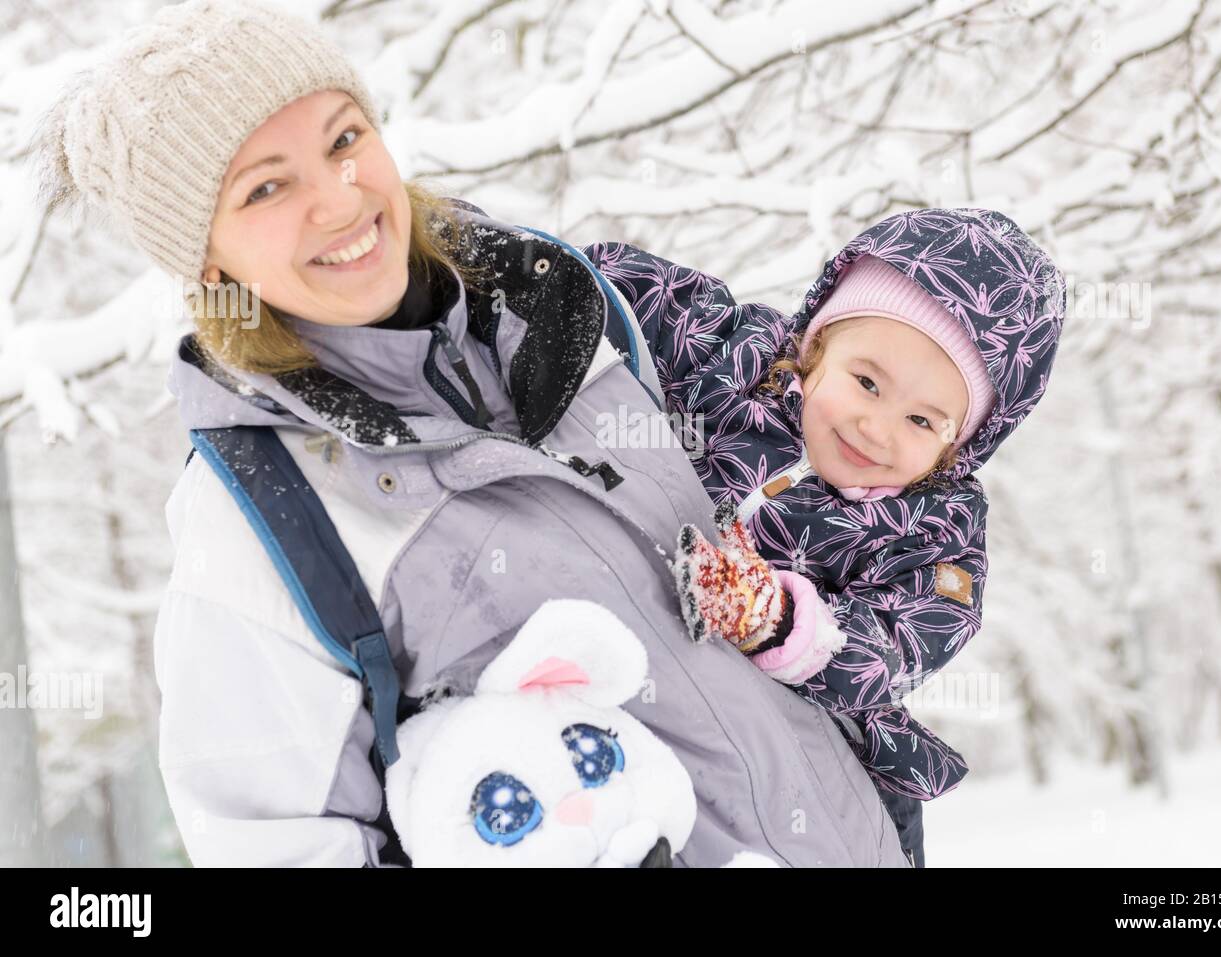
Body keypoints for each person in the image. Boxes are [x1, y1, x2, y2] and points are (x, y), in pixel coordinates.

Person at [31, 0, 910, 867]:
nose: (338, 200)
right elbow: (283, 845)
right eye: (266, 185)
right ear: (208, 258)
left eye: (344, 140)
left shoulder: (571, 313)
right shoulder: (261, 516)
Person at [583, 207, 1067, 867]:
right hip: (641, 654)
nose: (878, 427)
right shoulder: (738, 361)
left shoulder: (936, 525)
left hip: (820, 738)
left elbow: (906, 635)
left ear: (958, 447)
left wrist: (783, 622)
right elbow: (618, 288)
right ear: (814, 346)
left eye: (923, 420)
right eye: (867, 382)